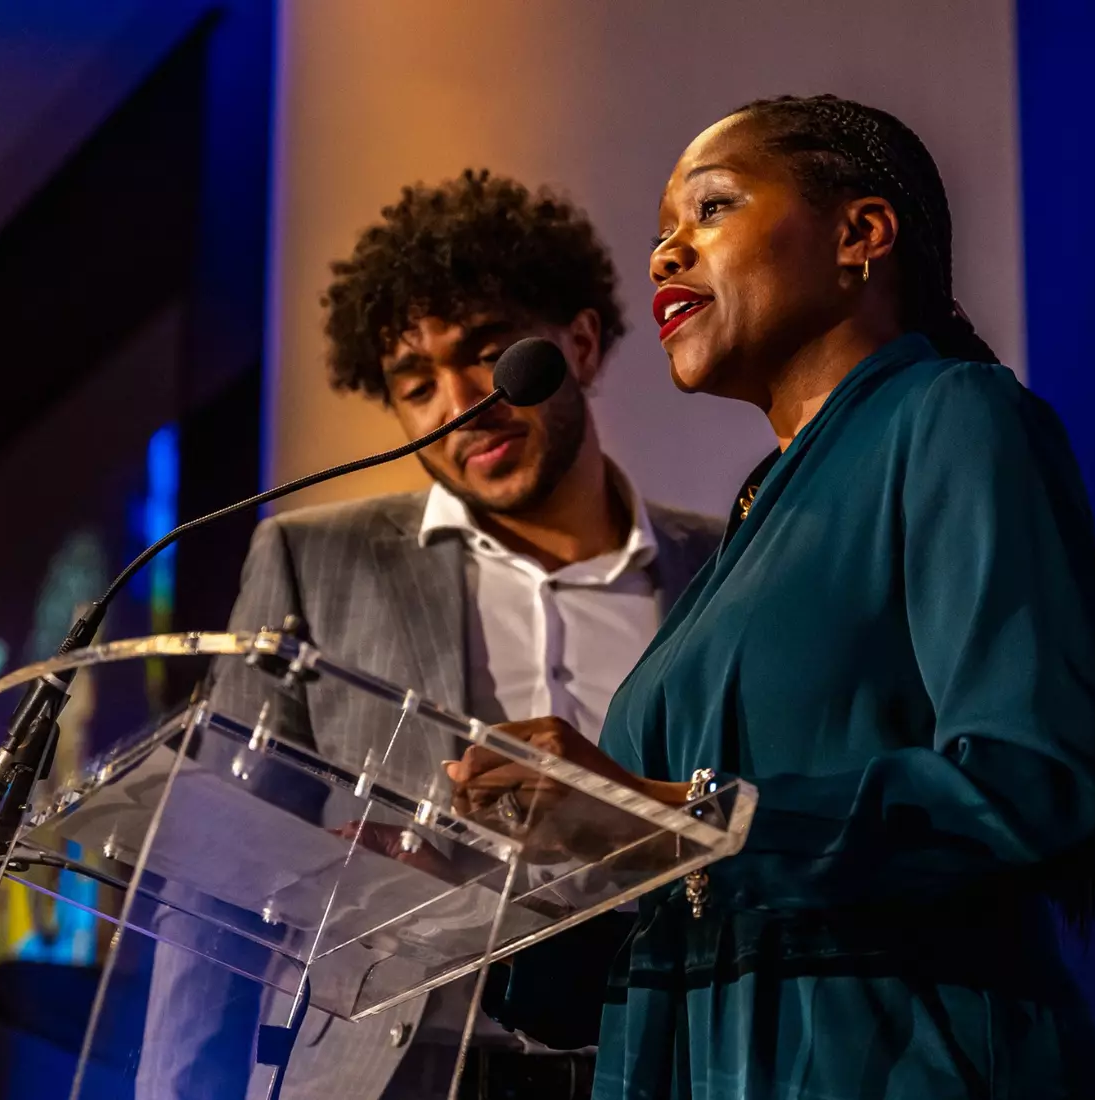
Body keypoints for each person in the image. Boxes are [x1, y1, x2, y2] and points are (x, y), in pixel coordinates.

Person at [455, 95, 1095, 1099]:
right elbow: (617, 940)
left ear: (861, 233)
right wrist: (485, 879)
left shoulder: (953, 417)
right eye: (659, 237)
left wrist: (676, 814)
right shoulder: (753, 525)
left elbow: (1035, 783)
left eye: (711, 210)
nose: (664, 257)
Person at [135, 169, 723, 1100]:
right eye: (417, 385)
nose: (460, 405)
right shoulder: (312, 561)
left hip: (676, 1064)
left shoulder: (727, 563)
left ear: (578, 342)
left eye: (489, 354)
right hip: (405, 1073)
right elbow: (219, 873)